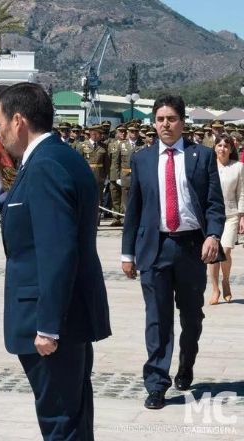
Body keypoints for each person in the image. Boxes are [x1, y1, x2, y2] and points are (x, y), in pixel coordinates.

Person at [0, 82, 111, 441]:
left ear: (18, 121)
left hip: (51, 323)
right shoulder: (60, 157)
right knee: (73, 421)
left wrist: (48, 326)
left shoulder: (46, 165)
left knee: (61, 423)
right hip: (67, 316)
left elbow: (57, 248)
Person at [122, 95, 225, 410]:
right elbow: (134, 209)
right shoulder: (141, 159)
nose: (165, 124)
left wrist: (213, 235)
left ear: (182, 122)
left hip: (192, 248)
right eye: (160, 119)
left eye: (171, 119)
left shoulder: (201, 156)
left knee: (191, 316)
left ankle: (186, 362)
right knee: (157, 318)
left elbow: (213, 203)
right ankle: (156, 383)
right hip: (155, 249)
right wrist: (128, 253)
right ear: (154, 123)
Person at [208, 134, 244, 305]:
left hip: (231, 214)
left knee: (226, 250)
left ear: (231, 149)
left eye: (226, 146)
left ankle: (226, 280)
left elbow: (242, 193)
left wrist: (242, 215)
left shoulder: (238, 167)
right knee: (213, 253)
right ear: (215, 147)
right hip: (211, 215)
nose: (222, 149)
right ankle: (215, 288)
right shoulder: (208, 165)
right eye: (219, 145)